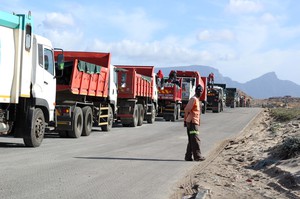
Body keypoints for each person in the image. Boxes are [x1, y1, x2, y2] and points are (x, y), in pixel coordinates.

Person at [184, 84, 205, 161]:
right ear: (196, 91)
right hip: (192, 122)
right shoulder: (193, 99)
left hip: (193, 122)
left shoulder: (197, 100)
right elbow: (187, 109)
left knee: (191, 140)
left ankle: (188, 156)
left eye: (201, 91)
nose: (200, 92)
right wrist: (186, 119)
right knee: (195, 139)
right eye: (198, 91)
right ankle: (197, 156)